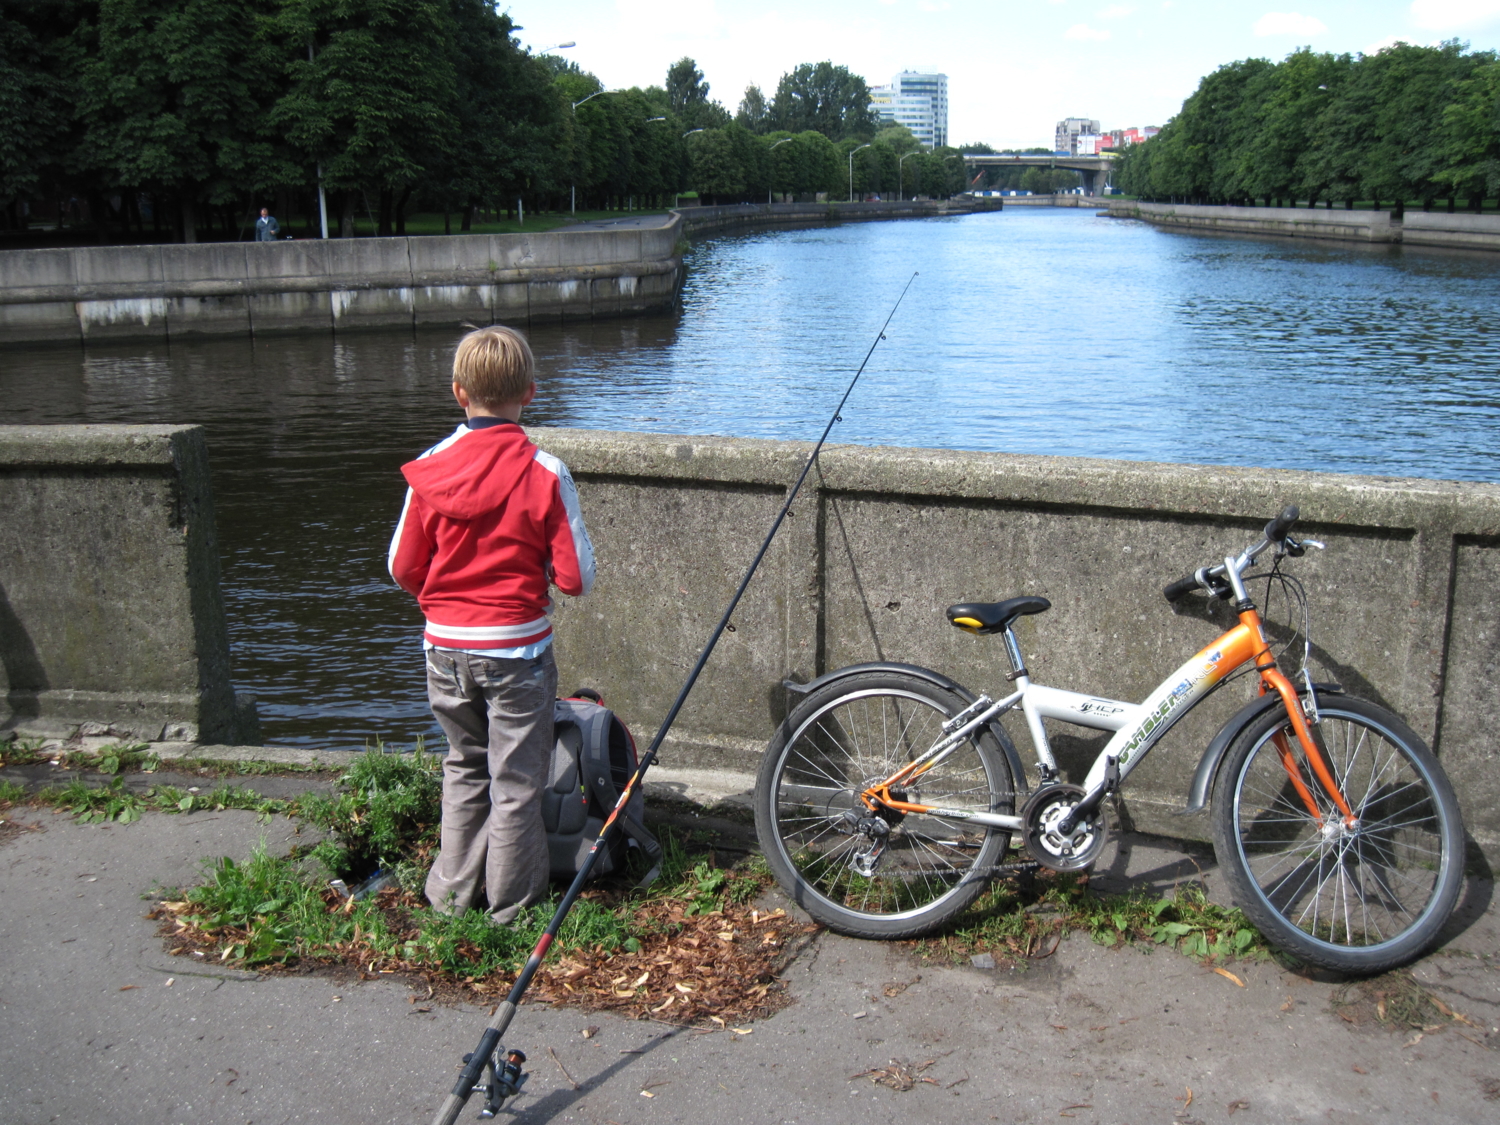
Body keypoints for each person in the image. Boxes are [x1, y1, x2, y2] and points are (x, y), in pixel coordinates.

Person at [388, 326, 595, 922]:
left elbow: (402, 567)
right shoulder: (545, 472)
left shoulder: (428, 469)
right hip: (517, 654)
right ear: (529, 393)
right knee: (516, 782)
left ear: (459, 393)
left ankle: (449, 899)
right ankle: (511, 909)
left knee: (463, 766)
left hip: (444, 649)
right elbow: (575, 576)